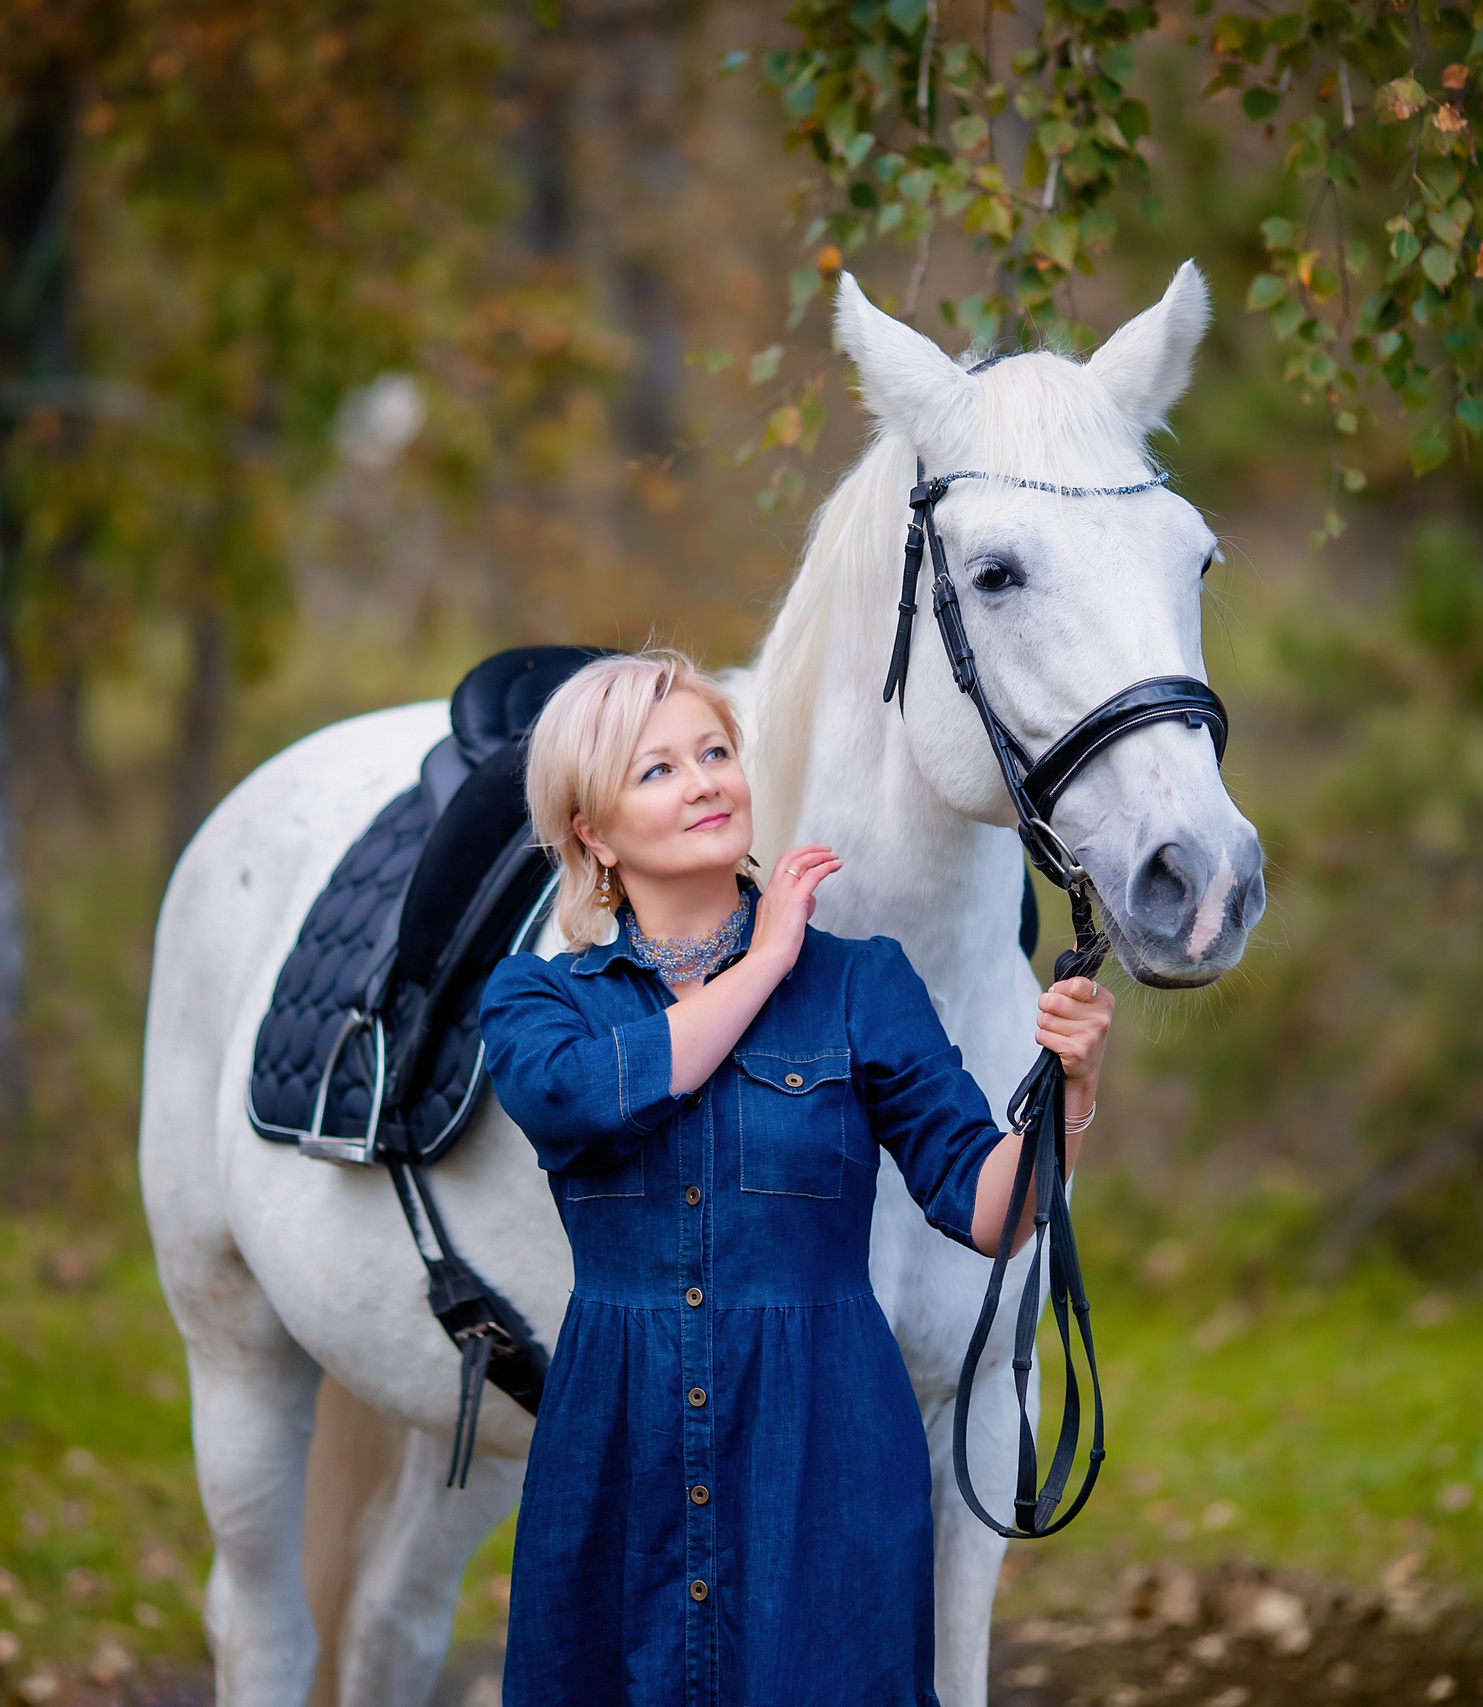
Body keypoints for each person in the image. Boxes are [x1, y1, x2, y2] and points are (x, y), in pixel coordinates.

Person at [477, 648, 1112, 1707]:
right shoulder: (539, 1001)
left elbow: (990, 1208)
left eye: (715, 752)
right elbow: (581, 1098)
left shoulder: (862, 984)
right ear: (591, 830)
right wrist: (765, 960)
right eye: (658, 769)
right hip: (613, 1456)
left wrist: (1071, 1092)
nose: (706, 782)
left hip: (825, 1452)